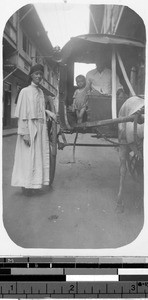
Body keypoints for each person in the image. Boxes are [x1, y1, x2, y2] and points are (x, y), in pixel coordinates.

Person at [11, 64, 56, 196]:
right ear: (31, 75)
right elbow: (22, 113)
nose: (39, 76)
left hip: (40, 127)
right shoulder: (25, 91)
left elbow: (40, 108)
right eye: (36, 74)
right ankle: (26, 185)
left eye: (41, 74)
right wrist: (24, 133)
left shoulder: (41, 92)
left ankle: (34, 183)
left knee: (37, 157)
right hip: (29, 127)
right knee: (27, 157)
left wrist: (49, 113)